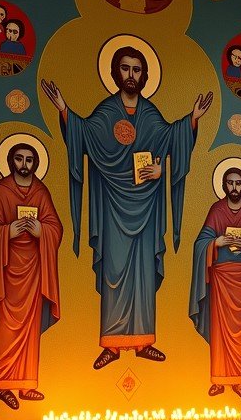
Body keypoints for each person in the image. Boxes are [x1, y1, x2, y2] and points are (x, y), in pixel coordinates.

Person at [41, 45, 212, 368]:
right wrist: (65, 110)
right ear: (115, 73)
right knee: (114, 273)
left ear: (145, 75)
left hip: (146, 210)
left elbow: (171, 140)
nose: (131, 75)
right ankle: (112, 343)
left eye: (137, 69)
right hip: (112, 207)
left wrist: (190, 122)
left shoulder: (149, 114)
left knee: (144, 275)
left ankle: (144, 340)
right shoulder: (107, 112)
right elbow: (85, 134)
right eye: (125, 68)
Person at [0, 142, 62, 409]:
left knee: (29, 328)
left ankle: (26, 384)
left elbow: (55, 227)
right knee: (4, 326)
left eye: (29, 160)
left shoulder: (40, 191)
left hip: (33, 272)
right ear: (10, 161)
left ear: (35, 163)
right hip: (5, 273)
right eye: (19, 159)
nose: (24, 164)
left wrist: (41, 231)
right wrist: (8, 232)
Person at [189, 167, 241, 400]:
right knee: (221, 332)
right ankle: (220, 378)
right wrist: (216, 242)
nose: (234, 187)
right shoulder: (216, 210)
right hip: (222, 281)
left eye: (238, 183)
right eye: (230, 183)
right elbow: (200, 242)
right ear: (224, 185)